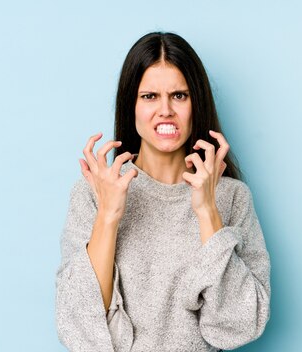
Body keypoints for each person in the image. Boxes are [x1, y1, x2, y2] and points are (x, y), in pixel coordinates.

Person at [55, 32, 271, 352]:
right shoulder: (93, 193)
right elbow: (79, 326)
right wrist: (109, 215)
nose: (165, 110)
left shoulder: (231, 197)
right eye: (150, 96)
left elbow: (239, 325)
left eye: (180, 96)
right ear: (131, 105)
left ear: (196, 103)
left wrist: (207, 210)